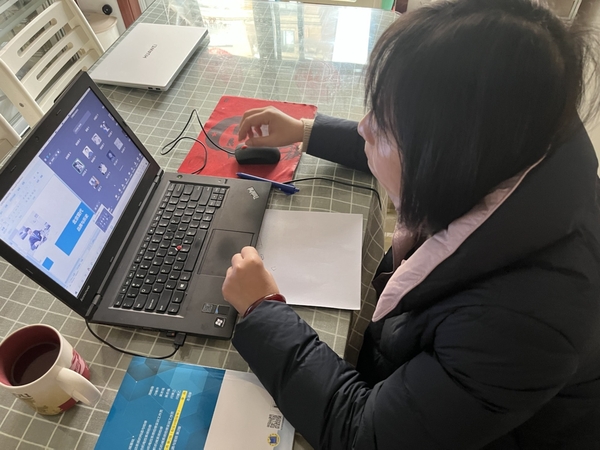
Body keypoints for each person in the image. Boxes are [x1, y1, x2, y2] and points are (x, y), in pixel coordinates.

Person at [221, 0, 600, 448]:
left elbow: (364, 435)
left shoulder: (522, 321)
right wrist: (307, 131)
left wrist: (263, 310)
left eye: (384, 125)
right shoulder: (528, 130)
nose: (364, 128)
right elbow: (424, 137)